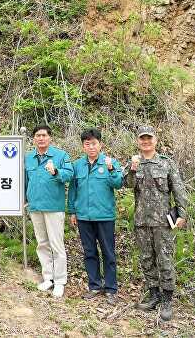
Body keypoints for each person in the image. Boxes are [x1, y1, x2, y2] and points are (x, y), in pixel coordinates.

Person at [123, 125, 187, 321]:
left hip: (162, 222)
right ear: (138, 141)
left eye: (149, 138)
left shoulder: (166, 163)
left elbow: (178, 189)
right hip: (142, 221)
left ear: (155, 140)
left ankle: (167, 300)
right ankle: (154, 295)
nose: (146, 142)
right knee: (146, 259)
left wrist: (182, 214)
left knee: (165, 259)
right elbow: (127, 184)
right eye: (142, 139)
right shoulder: (134, 163)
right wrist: (133, 169)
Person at [68, 128, 123, 305]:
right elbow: (73, 190)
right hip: (84, 216)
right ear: (83, 146)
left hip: (105, 216)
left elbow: (118, 184)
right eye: (87, 144)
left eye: (94, 143)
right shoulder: (77, 166)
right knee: (89, 252)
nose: (91, 147)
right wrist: (73, 211)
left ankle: (111, 289)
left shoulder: (110, 162)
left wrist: (111, 169)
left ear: (100, 144)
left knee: (108, 253)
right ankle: (94, 286)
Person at [24, 124, 74, 298]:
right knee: (42, 243)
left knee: (56, 244)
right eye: (37, 135)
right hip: (35, 206)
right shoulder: (28, 158)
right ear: (34, 139)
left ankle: (60, 281)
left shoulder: (60, 156)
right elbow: (25, 181)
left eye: (44, 135)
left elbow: (69, 175)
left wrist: (56, 171)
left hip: (54, 207)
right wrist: (25, 200)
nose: (41, 138)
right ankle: (48, 278)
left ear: (50, 137)